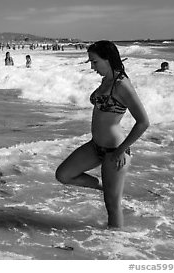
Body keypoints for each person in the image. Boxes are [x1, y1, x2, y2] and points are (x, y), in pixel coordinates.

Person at [55, 40, 149, 228]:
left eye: (95, 62)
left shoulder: (122, 84)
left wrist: (122, 150)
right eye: (90, 62)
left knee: (112, 206)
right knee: (63, 175)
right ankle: (103, 185)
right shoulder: (106, 79)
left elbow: (143, 122)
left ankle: (115, 245)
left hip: (114, 150)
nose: (92, 66)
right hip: (95, 145)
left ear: (108, 59)